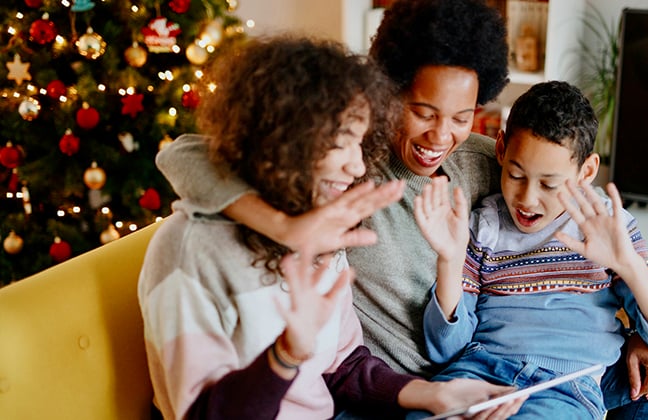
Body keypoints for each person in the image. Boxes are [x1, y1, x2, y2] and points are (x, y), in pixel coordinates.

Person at [155, 0, 648, 417]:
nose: (442, 136)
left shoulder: (487, 162)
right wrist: (288, 227)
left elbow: (551, 178)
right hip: (401, 384)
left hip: (487, 373)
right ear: (386, 93)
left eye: (463, 116)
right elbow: (185, 153)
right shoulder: (344, 174)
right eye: (422, 111)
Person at [138, 35, 524, 420]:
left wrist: (435, 395)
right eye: (341, 143)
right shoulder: (190, 251)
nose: (357, 167)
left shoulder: (321, 222)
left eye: (359, 144)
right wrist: (285, 356)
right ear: (282, 139)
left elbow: (344, 365)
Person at [409, 81, 648, 419]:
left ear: (586, 171)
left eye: (549, 184)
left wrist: (629, 266)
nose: (528, 199)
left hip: (564, 388)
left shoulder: (608, 226)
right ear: (500, 149)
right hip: (479, 373)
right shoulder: (482, 227)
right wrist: (450, 263)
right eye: (516, 175)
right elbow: (444, 350)